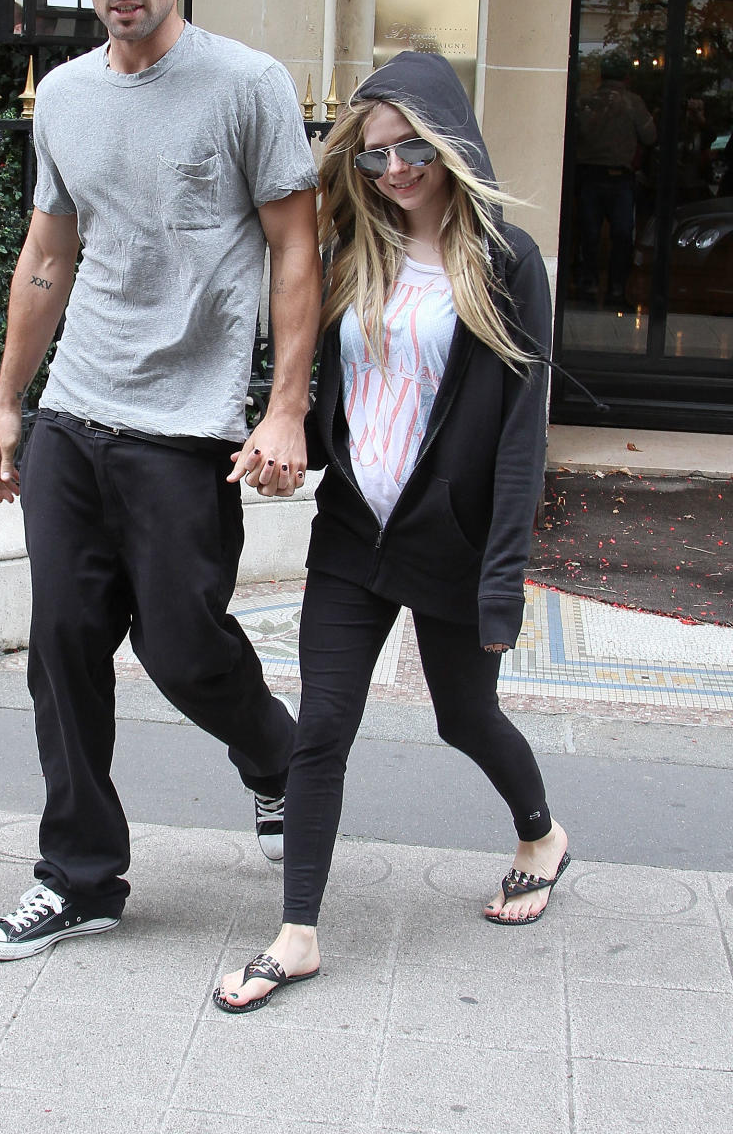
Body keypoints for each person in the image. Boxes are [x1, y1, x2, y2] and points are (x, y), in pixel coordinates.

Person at [0, 0, 322, 961]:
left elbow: (296, 248)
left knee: (182, 645)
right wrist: (9, 404)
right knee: (63, 644)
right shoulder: (65, 95)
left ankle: (277, 761)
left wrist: (285, 410)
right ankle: (78, 876)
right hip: (78, 407)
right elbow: (48, 255)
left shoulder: (247, 85)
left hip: (189, 423)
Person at [213, 51, 569, 1013]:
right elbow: (336, 392)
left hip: (448, 541)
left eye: (412, 149)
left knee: (465, 716)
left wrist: (503, 580)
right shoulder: (353, 251)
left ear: (450, 141)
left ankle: (541, 834)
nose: (395, 170)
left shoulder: (506, 263)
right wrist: (289, 439)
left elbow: (520, 437)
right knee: (321, 728)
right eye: (375, 157)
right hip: (352, 534)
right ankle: (296, 937)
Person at [574, 51, 656, 306]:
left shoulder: (588, 102)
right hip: (618, 180)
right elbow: (651, 136)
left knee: (589, 236)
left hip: (591, 177)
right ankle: (617, 290)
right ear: (627, 77)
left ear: (601, 75)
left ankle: (589, 285)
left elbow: (577, 133)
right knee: (621, 236)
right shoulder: (632, 103)